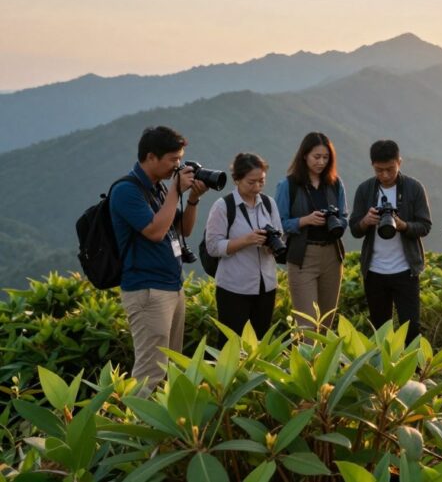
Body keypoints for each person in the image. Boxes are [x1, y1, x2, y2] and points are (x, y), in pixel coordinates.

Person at [109, 126, 207, 395]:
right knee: (150, 372)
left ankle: (159, 432)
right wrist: (176, 189)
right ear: (151, 157)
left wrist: (194, 200)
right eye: (173, 159)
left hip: (171, 287)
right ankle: (133, 433)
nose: (178, 166)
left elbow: (182, 231)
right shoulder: (126, 191)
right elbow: (154, 232)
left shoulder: (159, 189)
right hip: (147, 290)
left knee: (169, 368)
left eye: (180, 159)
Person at [348, 140, 432, 345]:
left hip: (406, 270)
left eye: (390, 169)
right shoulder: (365, 190)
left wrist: (403, 226)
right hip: (375, 271)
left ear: (399, 162)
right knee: (380, 330)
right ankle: (383, 374)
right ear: (372, 166)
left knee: (411, 328)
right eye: (379, 170)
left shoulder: (413, 188)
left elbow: (425, 225)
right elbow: (354, 229)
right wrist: (365, 222)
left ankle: (413, 373)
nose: (385, 175)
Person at [204, 153, 283, 340]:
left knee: (261, 343)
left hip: (266, 286)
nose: (257, 187)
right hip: (234, 288)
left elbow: (280, 235)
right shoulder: (223, 206)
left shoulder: (268, 204)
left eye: (261, 181)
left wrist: (272, 245)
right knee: (231, 345)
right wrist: (246, 240)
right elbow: (213, 247)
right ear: (237, 179)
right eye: (251, 182)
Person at [275, 132, 348, 333]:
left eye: (326, 158)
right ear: (304, 155)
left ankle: (323, 365)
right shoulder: (287, 185)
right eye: (317, 157)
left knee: (325, 325)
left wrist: (336, 222)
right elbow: (278, 224)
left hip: (332, 257)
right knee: (307, 328)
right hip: (302, 258)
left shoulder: (335, 184)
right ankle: (306, 363)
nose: (321, 162)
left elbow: (344, 217)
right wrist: (304, 221)